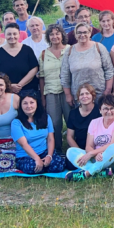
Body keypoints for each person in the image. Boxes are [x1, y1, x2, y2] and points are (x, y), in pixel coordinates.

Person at [65, 91, 114, 182]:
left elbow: (113, 143)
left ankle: (86, 174)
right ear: (100, 110)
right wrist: (95, 154)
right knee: (71, 151)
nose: (109, 111)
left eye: (112, 108)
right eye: (105, 109)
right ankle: (101, 172)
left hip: (113, 157)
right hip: (97, 158)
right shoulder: (94, 122)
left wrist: (91, 153)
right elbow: (88, 146)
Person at [11, 91, 66, 174]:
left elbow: (50, 139)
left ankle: (46, 164)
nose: (29, 106)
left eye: (32, 102)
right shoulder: (16, 123)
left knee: (59, 165)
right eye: (25, 103)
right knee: (32, 167)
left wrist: (49, 156)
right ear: (20, 106)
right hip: (26, 156)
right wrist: (37, 159)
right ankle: (44, 166)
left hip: (44, 152)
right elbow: (24, 144)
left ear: (37, 103)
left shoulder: (46, 117)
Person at [61, 22, 114, 106]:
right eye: (79, 32)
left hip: (99, 94)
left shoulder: (99, 47)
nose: (82, 35)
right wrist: (68, 95)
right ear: (75, 34)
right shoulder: (69, 51)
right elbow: (65, 75)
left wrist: (108, 90)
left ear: (90, 33)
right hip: (79, 96)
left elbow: (109, 70)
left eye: (85, 32)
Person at [38, 23, 69, 153]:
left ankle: (75, 149)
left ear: (62, 35)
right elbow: (41, 76)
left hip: (68, 92)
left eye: (57, 33)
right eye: (51, 34)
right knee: (55, 123)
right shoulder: (44, 54)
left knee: (70, 121)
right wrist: (43, 98)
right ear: (48, 37)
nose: (55, 36)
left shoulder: (70, 49)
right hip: (50, 91)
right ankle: (57, 150)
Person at [0, 23, 40, 94]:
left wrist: (20, 85)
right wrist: (9, 86)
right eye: (9, 34)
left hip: (28, 91)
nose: (12, 36)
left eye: (14, 34)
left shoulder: (27, 50)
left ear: (19, 35)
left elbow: (34, 69)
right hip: (6, 92)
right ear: (4, 35)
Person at [64, 83, 101, 161]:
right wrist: (80, 153)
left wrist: (92, 153)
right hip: (79, 147)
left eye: (87, 93)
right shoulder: (73, 113)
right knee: (70, 164)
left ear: (93, 96)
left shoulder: (99, 111)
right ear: (78, 98)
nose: (84, 96)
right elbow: (69, 137)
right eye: (81, 94)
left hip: (96, 148)